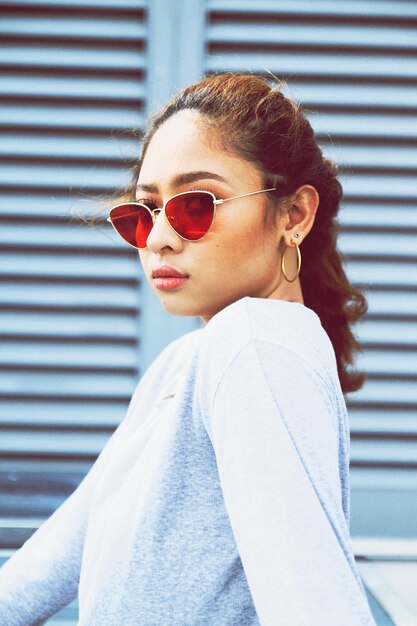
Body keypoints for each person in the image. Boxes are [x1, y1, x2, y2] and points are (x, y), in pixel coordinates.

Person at [0, 73, 377, 625]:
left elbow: (314, 609)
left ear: (294, 215)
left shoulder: (254, 343)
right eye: (144, 211)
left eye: (196, 204)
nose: (158, 238)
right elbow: (44, 569)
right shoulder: (186, 362)